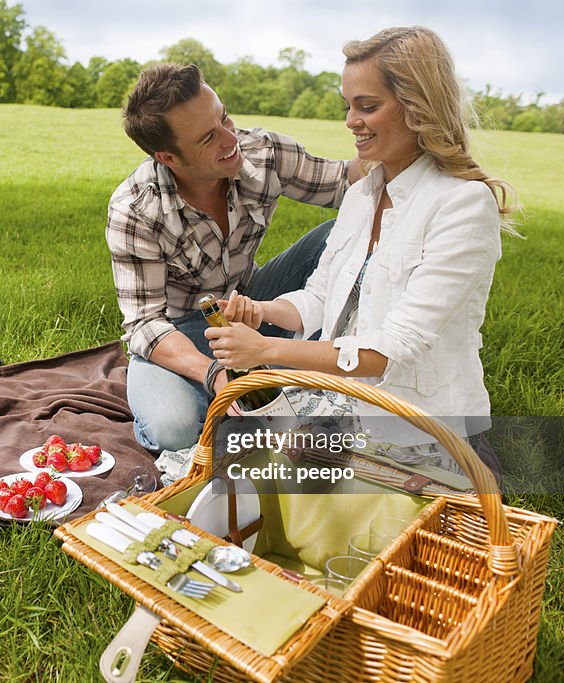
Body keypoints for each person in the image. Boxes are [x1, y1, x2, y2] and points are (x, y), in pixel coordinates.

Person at [204, 27, 519, 472]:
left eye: (367, 106)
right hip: (339, 401)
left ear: (418, 107)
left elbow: (391, 350)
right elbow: (318, 298)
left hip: (413, 424)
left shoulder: (463, 204)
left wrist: (265, 352)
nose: (351, 120)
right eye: (348, 106)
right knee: (223, 471)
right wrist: (262, 311)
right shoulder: (362, 194)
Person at [108, 63, 361, 453]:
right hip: (179, 331)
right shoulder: (136, 209)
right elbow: (144, 323)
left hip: (249, 305)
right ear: (169, 157)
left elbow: (348, 182)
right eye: (208, 137)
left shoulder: (263, 152)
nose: (231, 139)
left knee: (334, 238)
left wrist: (401, 139)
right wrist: (213, 373)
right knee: (172, 430)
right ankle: (230, 387)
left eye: (224, 117)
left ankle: (300, 367)